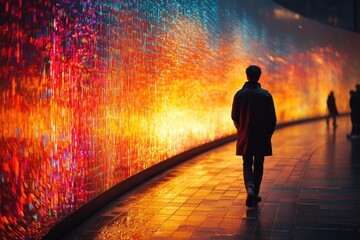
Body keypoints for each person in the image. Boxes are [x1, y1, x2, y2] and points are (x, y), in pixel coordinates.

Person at [231, 65, 277, 207]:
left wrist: (242, 130)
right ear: (259, 76)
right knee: (259, 164)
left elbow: (234, 116)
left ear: (247, 76)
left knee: (247, 164)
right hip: (261, 136)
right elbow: (272, 119)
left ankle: (250, 189)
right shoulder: (266, 95)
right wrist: (267, 134)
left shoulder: (239, 95)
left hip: (246, 136)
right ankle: (255, 192)